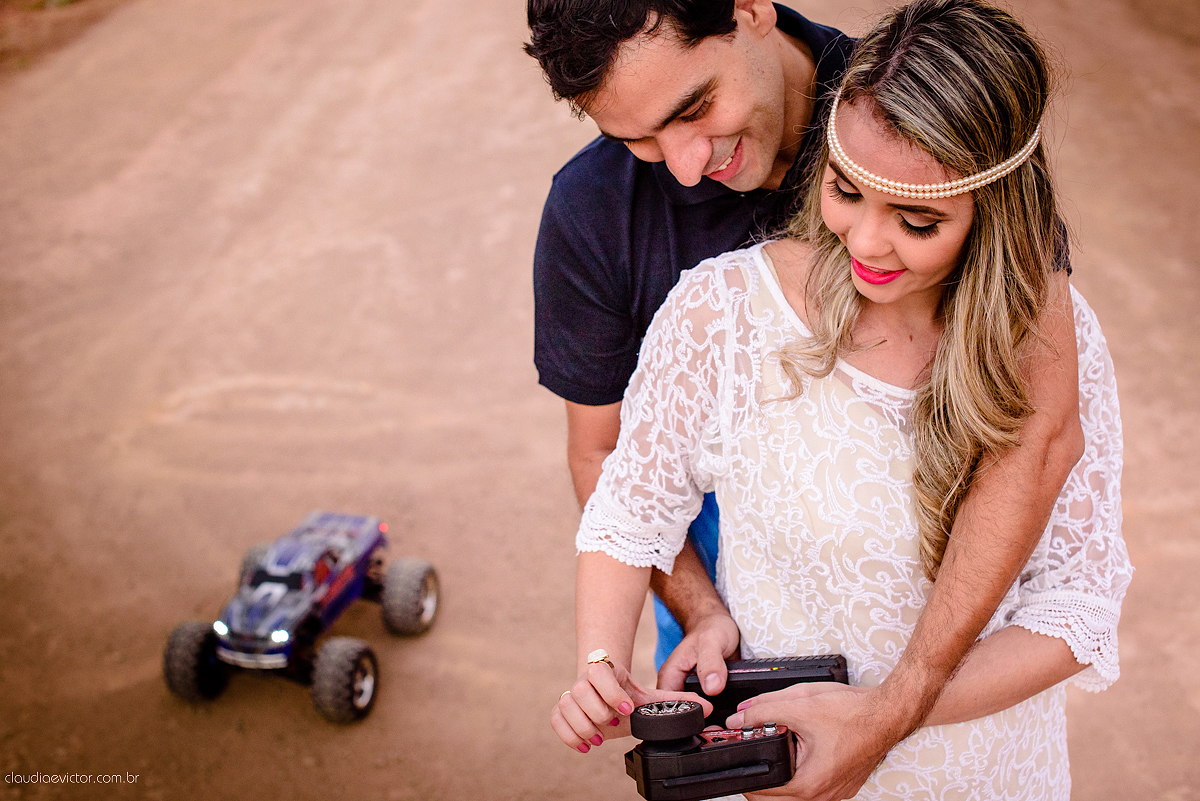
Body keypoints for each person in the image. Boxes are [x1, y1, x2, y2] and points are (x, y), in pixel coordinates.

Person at [550, 1, 1132, 798]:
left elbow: (1074, 595)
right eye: (843, 190)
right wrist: (623, 648)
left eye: (918, 219)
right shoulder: (707, 298)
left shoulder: (914, 103)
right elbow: (623, 488)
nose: (863, 241)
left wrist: (883, 714)